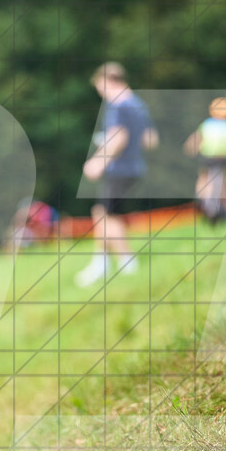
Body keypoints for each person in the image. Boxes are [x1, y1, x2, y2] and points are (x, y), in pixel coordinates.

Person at [78, 62, 158, 287]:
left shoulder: (118, 105)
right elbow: (150, 139)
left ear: (108, 80)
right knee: (103, 212)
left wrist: (97, 162)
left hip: (119, 168)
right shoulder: (138, 104)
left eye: (100, 86)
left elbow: (119, 137)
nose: (100, 92)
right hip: (134, 167)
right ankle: (101, 262)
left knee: (105, 215)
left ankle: (124, 261)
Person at [183, 97, 226, 223]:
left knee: (204, 177)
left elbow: (194, 141)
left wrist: (191, 149)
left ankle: (201, 197)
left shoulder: (208, 124)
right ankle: (223, 206)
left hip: (209, 157)